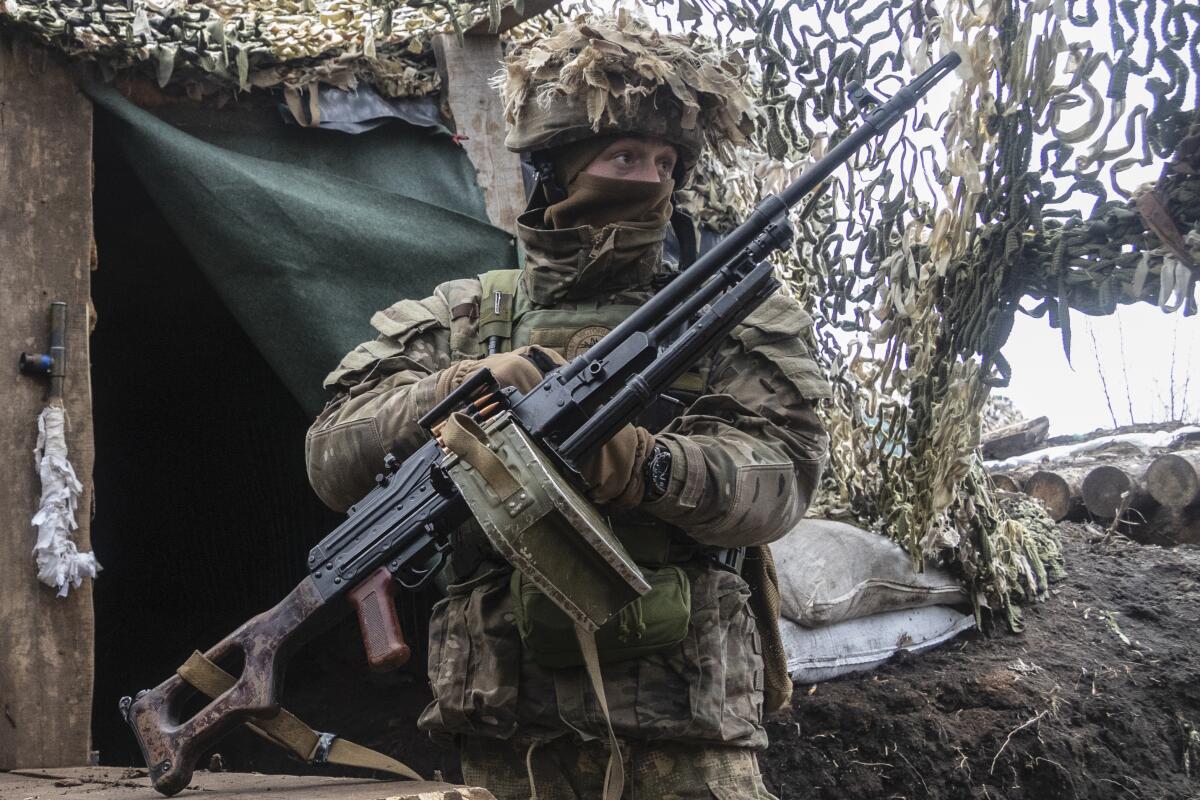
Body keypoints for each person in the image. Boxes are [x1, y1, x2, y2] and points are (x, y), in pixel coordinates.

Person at [305, 12, 830, 799]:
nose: (649, 180)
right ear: (555, 167)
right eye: (623, 155)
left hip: (684, 736)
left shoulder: (732, 317)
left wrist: (648, 466)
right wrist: (452, 392)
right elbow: (331, 455)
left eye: (665, 160)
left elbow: (783, 479)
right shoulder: (462, 319)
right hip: (506, 736)